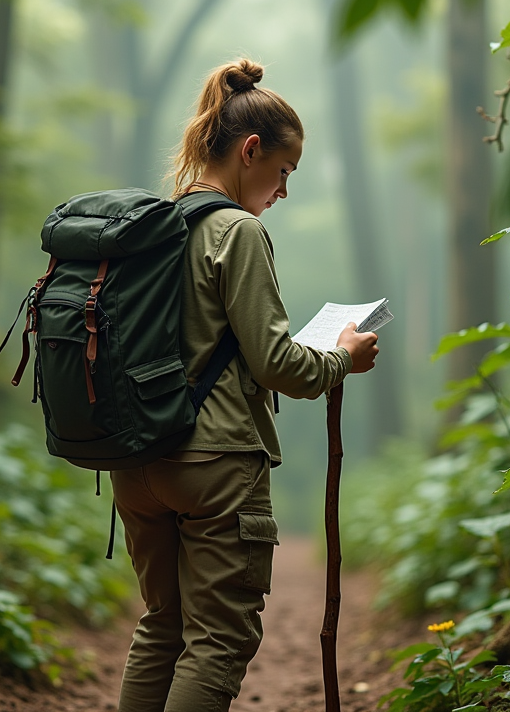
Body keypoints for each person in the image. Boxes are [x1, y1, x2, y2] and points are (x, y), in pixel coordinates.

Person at [110, 58, 379, 712]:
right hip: (216, 463)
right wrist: (343, 357)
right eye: (283, 172)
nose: (283, 190)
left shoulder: (156, 229)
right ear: (251, 150)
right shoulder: (238, 231)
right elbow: (277, 366)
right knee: (218, 641)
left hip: (137, 460)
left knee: (162, 628)